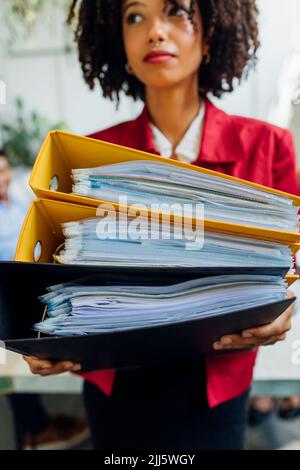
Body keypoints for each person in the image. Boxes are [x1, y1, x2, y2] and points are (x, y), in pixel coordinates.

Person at [23, 0, 299, 450]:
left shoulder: (267, 149)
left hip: (216, 389)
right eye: (135, 15)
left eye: (177, 12)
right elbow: (60, 271)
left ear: (210, 36)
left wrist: (285, 308)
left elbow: (289, 270)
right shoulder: (87, 164)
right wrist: (46, 333)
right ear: (121, 44)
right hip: (116, 385)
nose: (155, 31)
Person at [0, 148, 88, 450]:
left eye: (4, 170)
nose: (2, 178)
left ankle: (43, 421)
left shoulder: (20, 202)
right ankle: (35, 430)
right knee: (14, 358)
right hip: (6, 287)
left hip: (35, 277)